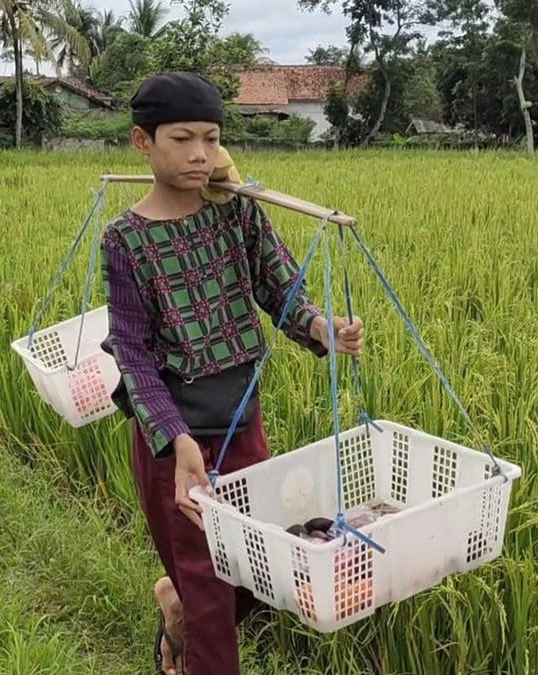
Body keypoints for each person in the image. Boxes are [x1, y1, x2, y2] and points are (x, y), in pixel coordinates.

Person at [99, 71, 364, 675]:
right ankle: (191, 627)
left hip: (242, 421)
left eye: (212, 138)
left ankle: (174, 608)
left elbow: (281, 286)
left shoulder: (236, 213)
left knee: (254, 569)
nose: (199, 154)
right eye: (181, 138)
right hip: (177, 438)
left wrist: (324, 328)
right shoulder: (127, 240)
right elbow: (132, 351)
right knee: (210, 593)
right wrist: (177, 440)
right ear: (143, 142)